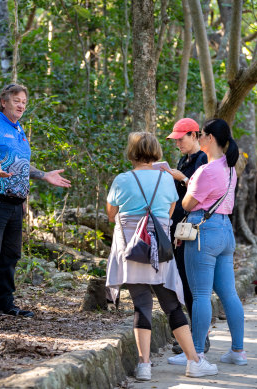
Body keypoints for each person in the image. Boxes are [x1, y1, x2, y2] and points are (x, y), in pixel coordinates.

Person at [105, 132, 218, 381]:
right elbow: (169, 213)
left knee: (141, 306)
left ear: (131, 153)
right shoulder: (166, 180)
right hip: (160, 254)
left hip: (131, 252)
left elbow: (111, 214)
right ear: (156, 152)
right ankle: (194, 362)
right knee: (172, 306)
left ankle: (144, 365)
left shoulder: (122, 180)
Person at [0, 83, 71, 324]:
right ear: (3, 101)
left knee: (11, 255)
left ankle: (6, 303)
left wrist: (43, 175)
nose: (21, 105)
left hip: (16, 204)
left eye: (24, 102)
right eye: (16, 100)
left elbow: (21, 165)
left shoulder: (19, 131)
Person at [182, 118, 247, 367]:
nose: (198, 138)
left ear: (210, 138)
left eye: (200, 135)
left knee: (200, 294)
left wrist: (188, 186)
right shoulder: (230, 169)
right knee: (229, 293)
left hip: (204, 231)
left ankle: (196, 353)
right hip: (225, 231)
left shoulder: (206, 170)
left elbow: (188, 204)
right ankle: (238, 351)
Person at [160, 118, 209, 365]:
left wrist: (182, 178)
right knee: (179, 282)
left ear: (194, 135)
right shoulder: (183, 160)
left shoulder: (203, 160)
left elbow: (202, 194)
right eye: (175, 139)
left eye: (181, 138)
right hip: (177, 227)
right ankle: (188, 339)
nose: (178, 142)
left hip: (193, 229)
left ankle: (199, 341)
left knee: (192, 286)